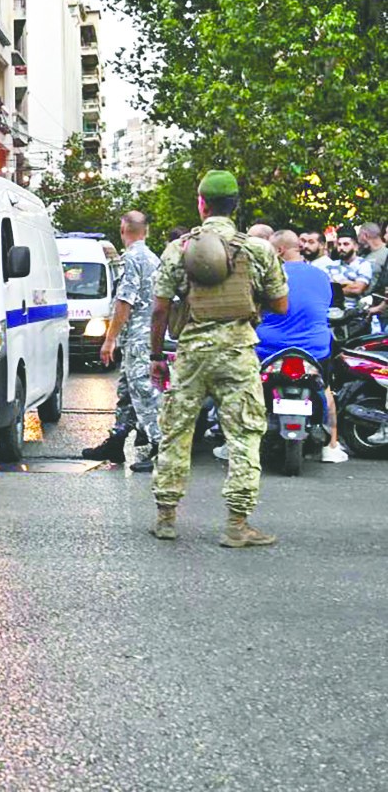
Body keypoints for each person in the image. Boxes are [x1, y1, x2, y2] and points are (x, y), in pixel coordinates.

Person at [149, 171, 288, 547]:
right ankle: (237, 525)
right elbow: (281, 303)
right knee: (243, 435)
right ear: (236, 206)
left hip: (191, 353)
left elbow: (160, 309)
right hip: (237, 352)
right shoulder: (258, 249)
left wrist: (157, 355)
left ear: (201, 203)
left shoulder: (179, 248)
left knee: (176, 431)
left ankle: (166, 517)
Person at [256, 230, 347, 464]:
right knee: (325, 389)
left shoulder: (268, 274)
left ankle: (231, 443)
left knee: (246, 388)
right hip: (315, 348)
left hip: (268, 347)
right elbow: (325, 307)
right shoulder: (320, 276)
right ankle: (332, 446)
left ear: (278, 250)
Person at [95, 211, 163, 473]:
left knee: (144, 393)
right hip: (146, 335)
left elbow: (125, 301)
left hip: (138, 337)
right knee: (126, 393)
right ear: (145, 231)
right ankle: (116, 441)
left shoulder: (132, 258)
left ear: (123, 230)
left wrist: (109, 340)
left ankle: (159, 448)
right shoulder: (152, 258)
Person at [328, 226, 373, 311]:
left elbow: (357, 289)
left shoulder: (364, 265)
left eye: (346, 244)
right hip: (332, 312)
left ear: (356, 246)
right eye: (339, 244)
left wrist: (334, 288)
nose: (341, 248)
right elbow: (322, 289)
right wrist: (348, 283)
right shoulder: (330, 265)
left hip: (354, 314)